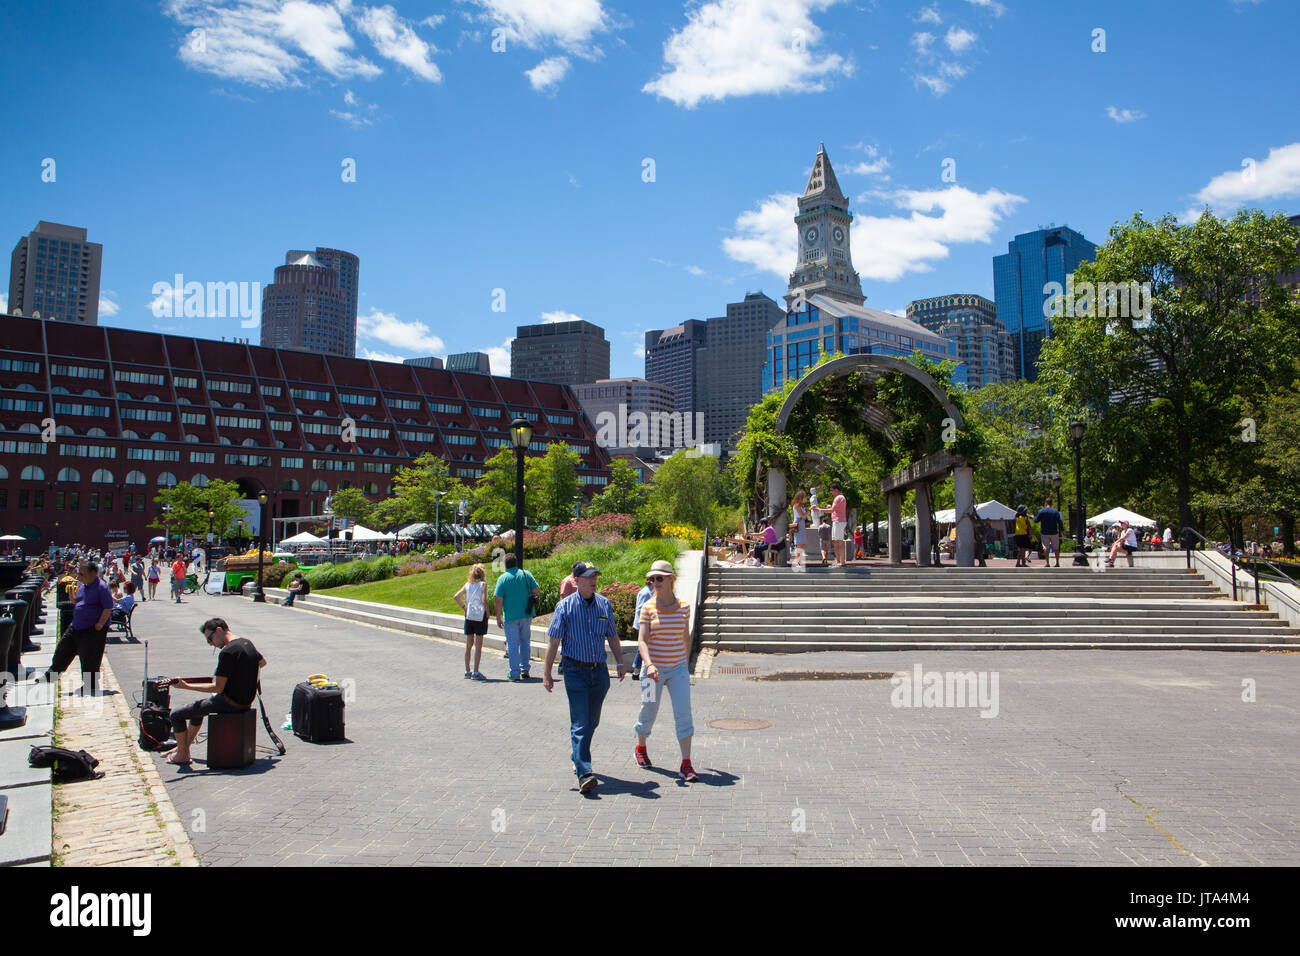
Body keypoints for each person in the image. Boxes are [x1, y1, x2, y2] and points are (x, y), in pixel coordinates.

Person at [543, 561, 626, 793]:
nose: (593, 581)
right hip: (575, 671)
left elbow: (612, 636)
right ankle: (585, 773)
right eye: (588, 577)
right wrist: (547, 673)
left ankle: (577, 754)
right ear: (576, 581)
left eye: (595, 576)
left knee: (592, 721)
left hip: (599, 672)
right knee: (580, 723)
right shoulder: (565, 607)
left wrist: (620, 662)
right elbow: (553, 641)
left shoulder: (604, 605)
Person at [166, 618, 267, 765]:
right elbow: (262, 662)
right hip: (245, 702)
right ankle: (183, 748)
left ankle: (182, 755)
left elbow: (217, 687)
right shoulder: (246, 643)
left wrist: (185, 686)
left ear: (219, 630)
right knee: (195, 711)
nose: (211, 644)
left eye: (210, 639)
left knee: (176, 714)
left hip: (230, 703)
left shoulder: (228, 651)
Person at [633, 560, 698, 782]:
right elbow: (642, 641)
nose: (655, 582)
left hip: (678, 669)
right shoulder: (647, 608)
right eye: (652, 579)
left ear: (671, 579)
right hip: (652, 672)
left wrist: (685, 663)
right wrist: (649, 665)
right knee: (648, 711)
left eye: (660, 578)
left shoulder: (684, 607)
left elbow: (685, 637)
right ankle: (641, 747)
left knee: (684, 713)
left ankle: (686, 763)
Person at [41, 562, 113, 693]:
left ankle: (90, 685)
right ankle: (50, 676)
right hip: (76, 626)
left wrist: (100, 625)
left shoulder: (102, 587)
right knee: (62, 649)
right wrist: (72, 598)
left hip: (92, 629)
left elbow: (108, 607)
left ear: (92, 573)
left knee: (89, 658)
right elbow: (79, 601)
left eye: (82, 574)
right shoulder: (83, 586)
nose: (79, 577)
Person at [493, 553, 540, 682]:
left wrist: (498, 616)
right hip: (526, 614)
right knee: (525, 641)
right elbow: (537, 590)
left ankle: (514, 673)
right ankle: (525, 669)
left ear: (505, 565)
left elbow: (498, 598)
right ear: (516, 562)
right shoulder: (526, 574)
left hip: (510, 616)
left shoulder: (503, 579)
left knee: (513, 644)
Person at [455, 564, 489, 680]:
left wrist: (464, 608)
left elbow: (456, 596)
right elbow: (484, 600)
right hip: (479, 616)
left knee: (469, 644)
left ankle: (467, 670)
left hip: (469, 615)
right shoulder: (482, 585)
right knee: (478, 645)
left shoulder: (467, 585)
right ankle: (476, 671)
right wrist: (488, 613)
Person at [1035, 498, 1063, 568]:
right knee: (1056, 548)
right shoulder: (1055, 511)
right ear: (1051, 503)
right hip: (1054, 532)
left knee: (1046, 547)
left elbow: (1036, 520)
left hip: (1044, 532)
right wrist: (1062, 529)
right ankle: (1057, 563)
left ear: (1045, 503)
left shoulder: (1041, 511)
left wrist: (1032, 517)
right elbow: (1060, 521)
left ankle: (1047, 562)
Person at [790, 489, 809, 569]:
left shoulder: (801, 505)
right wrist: (809, 511)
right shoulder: (797, 505)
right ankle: (797, 562)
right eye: (805, 497)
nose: (806, 499)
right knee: (799, 544)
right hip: (798, 526)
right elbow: (803, 516)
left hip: (801, 525)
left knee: (802, 544)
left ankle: (799, 561)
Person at [830, 484, 848, 566]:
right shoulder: (839, 498)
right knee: (835, 541)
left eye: (831, 490)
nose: (831, 492)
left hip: (839, 521)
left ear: (836, 490)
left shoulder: (838, 498)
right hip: (836, 521)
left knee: (839, 541)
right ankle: (838, 561)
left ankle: (842, 561)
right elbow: (834, 509)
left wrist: (819, 509)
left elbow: (832, 509)